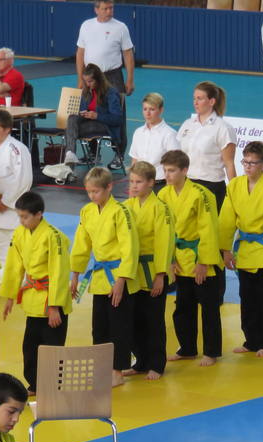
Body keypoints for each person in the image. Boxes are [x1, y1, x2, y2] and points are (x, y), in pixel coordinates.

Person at [69, 167, 140, 386]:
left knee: (119, 326)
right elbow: (81, 245)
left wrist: (121, 280)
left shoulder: (121, 212)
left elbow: (130, 248)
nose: (92, 196)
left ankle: (117, 371)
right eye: (89, 192)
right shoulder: (87, 211)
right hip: (99, 275)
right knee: (99, 326)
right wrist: (75, 275)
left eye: (96, 191)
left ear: (109, 187)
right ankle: (101, 368)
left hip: (118, 275)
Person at [219, 142, 263, 357]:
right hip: (244, 249)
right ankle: (250, 340)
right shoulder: (234, 185)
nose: (248, 166)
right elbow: (226, 219)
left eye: (253, 163)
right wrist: (225, 249)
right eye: (245, 162)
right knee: (247, 298)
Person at [0, 191, 73, 393]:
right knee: (31, 347)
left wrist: (54, 306)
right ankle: (35, 383)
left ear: (39, 214)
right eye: (19, 216)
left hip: (52, 299)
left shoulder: (54, 237)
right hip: (33, 298)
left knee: (52, 348)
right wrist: (10, 296)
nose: (21, 221)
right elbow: (14, 266)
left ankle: (53, 386)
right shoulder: (20, 233)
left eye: (25, 217)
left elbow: (59, 272)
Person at [158, 150, 223, 367]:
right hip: (179, 258)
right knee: (183, 307)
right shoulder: (163, 195)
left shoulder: (202, 194)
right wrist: (169, 259)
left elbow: (209, 229)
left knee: (209, 308)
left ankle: (211, 352)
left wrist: (204, 261)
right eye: (165, 170)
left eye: (172, 170)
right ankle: (187, 348)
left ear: (185, 170)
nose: (167, 175)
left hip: (200, 258)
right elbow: (165, 231)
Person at [122, 162, 174, 379]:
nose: (134, 186)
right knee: (134, 319)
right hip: (133, 271)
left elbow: (165, 243)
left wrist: (161, 275)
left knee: (153, 320)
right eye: (132, 181)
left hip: (153, 269)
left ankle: (156, 364)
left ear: (151, 183)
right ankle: (141, 361)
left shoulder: (161, 208)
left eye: (139, 182)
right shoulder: (125, 207)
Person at [75, 0, 136, 162]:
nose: (109, 11)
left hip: (113, 76)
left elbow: (128, 54)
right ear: (96, 10)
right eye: (105, 9)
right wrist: (80, 78)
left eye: (111, 8)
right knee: (89, 111)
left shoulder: (121, 27)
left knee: (117, 113)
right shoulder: (86, 26)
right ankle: (93, 153)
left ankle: (118, 154)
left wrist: (130, 79)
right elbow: (80, 53)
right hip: (90, 76)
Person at [0, 109, 33, 267]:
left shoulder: (18, 149)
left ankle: (19, 279)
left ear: (7, 129)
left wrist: (6, 202)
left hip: (11, 206)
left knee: (15, 251)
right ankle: (1, 279)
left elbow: (23, 179)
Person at [177, 81, 236, 209]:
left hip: (211, 186)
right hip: (186, 184)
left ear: (211, 101)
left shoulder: (223, 128)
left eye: (200, 98)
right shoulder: (187, 124)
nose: (195, 102)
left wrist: (234, 194)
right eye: (194, 98)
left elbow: (229, 164)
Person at [62, 63, 125, 172]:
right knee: (72, 118)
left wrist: (97, 116)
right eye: (85, 81)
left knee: (70, 131)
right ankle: (70, 154)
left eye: (90, 81)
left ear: (99, 79)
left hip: (105, 126)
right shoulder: (86, 91)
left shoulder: (111, 93)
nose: (87, 84)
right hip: (89, 123)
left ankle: (69, 169)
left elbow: (118, 119)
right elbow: (83, 110)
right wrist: (83, 113)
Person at [128, 92, 180, 188]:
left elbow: (174, 164)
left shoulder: (169, 134)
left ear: (161, 110)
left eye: (152, 109)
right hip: (140, 184)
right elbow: (135, 160)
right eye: (145, 109)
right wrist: (132, 184)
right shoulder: (138, 132)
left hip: (160, 184)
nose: (147, 113)